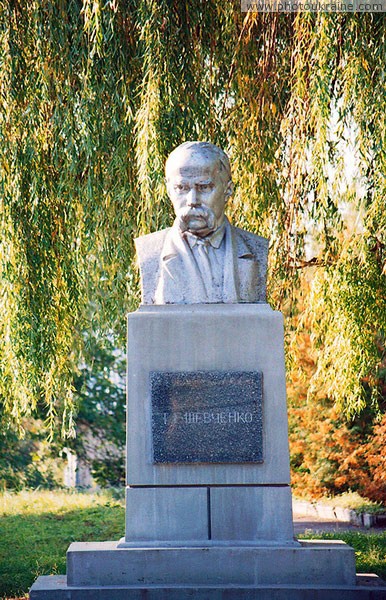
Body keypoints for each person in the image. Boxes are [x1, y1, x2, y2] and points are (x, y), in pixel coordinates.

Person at [135, 141, 268, 304]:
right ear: (169, 190)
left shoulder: (255, 249)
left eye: (204, 187)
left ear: (228, 190)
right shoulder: (149, 253)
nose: (192, 201)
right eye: (181, 188)